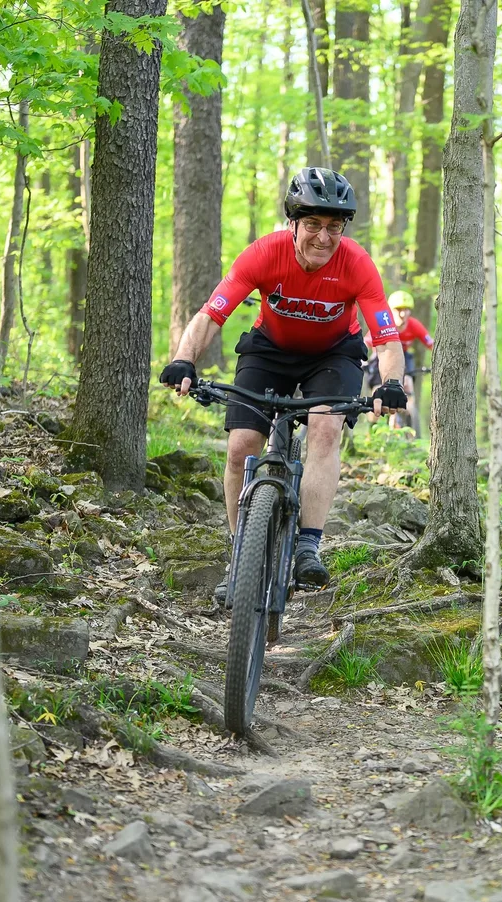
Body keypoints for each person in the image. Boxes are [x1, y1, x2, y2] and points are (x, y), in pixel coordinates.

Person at [159, 167, 408, 595]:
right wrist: (184, 359)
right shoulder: (263, 254)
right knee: (241, 446)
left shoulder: (357, 264)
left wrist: (391, 384)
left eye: (334, 227)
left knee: (326, 429)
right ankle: (241, 554)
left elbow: (387, 340)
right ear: (293, 222)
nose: (323, 237)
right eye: (312, 224)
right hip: (269, 350)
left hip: (333, 354)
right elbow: (212, 314)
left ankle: (309, 545)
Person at [364, 289, 433, 429]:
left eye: (406, 310)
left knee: (408, 384)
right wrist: (361, 359)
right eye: (398, 310)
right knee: (377, 393)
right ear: (391, 311)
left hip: (404, 359)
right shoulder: (383, 323)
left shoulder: (414, 325)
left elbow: (431, 343)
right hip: (381, 357)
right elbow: (366, 342)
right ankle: (371, 431)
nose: (403, 314)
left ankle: (411, 430)